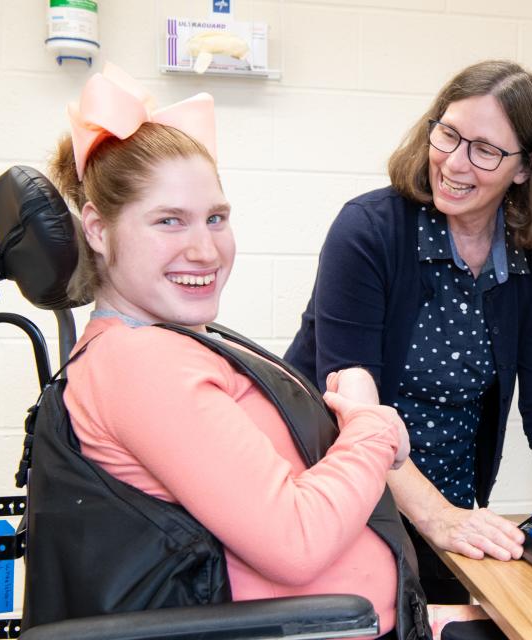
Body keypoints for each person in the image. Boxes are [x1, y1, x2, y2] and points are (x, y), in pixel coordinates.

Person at [40, 63, 429, 640]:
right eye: (169, 221)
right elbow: (294, 541)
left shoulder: (159, 342)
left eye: (216, 218)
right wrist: (372, 429)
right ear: (97, 229)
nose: (205, 249)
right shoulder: (138, 363)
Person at [285, 59, 532, 602]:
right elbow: (351, 409)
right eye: (448, 134)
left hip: (448, 508)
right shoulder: (370, 232)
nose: (454, 162)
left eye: (486, 150)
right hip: (338, 498)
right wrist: (439, 518)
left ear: (524, 168)